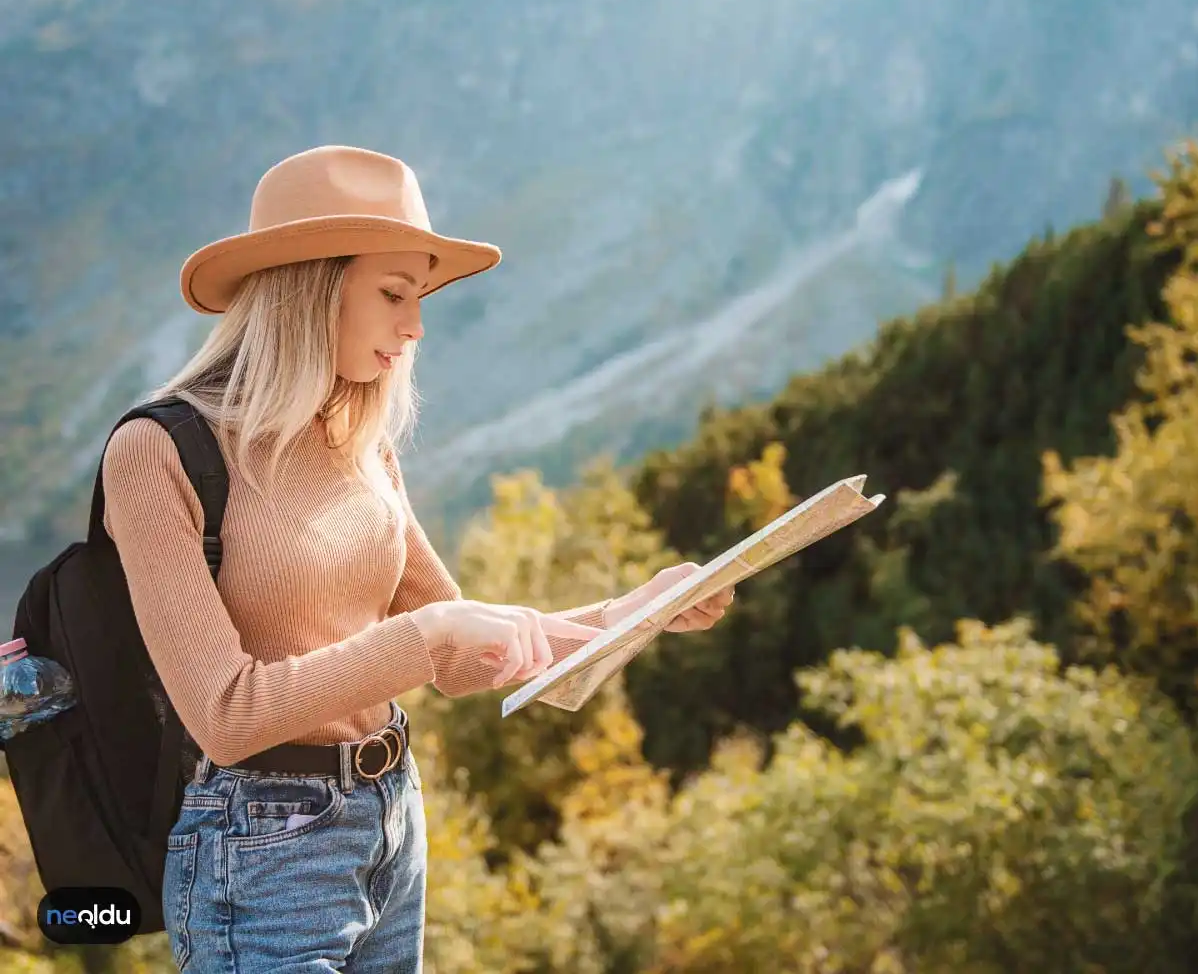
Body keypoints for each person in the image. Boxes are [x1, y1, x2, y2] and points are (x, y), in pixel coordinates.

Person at [100, 145, 733, 973]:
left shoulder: (359, 444)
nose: (416, 325)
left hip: (391, 816)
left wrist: (630, 615)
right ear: (309, 285)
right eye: (393, 294)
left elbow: (466, 658)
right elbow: (225, 714)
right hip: (260, 852)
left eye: (420, 296)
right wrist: (429, 635)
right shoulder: (158, 452)